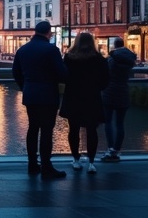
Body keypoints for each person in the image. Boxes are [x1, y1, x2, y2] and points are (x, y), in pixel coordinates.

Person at [12, 20, 68, 179]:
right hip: (48, 95)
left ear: (35, 31)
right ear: (49, 33)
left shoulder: (23, 49)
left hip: (30, 94)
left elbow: (16, 72)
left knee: (32, 128)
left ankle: (32, 164)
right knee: (46, 130)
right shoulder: (51, 50)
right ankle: (46, 166)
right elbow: (62, 74)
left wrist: (25, 86)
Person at [59, 32, 109, 173]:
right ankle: (92, 162)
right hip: (92, 97)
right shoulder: (99, 59)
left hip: (73, 97)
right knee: (92, 130)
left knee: (73, 129)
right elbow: (105, 80)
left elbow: (64, 76)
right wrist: (96, 88)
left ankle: (76, 159)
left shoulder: (69, 58)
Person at [101, 38, 137, 162]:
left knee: (108, 122)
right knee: (120, 123)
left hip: (110, 92)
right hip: (123, 92)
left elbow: (105, 73)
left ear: (114, 46)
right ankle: (116, 150)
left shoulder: (111, 59)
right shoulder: (130, 59)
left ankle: (110, 148)